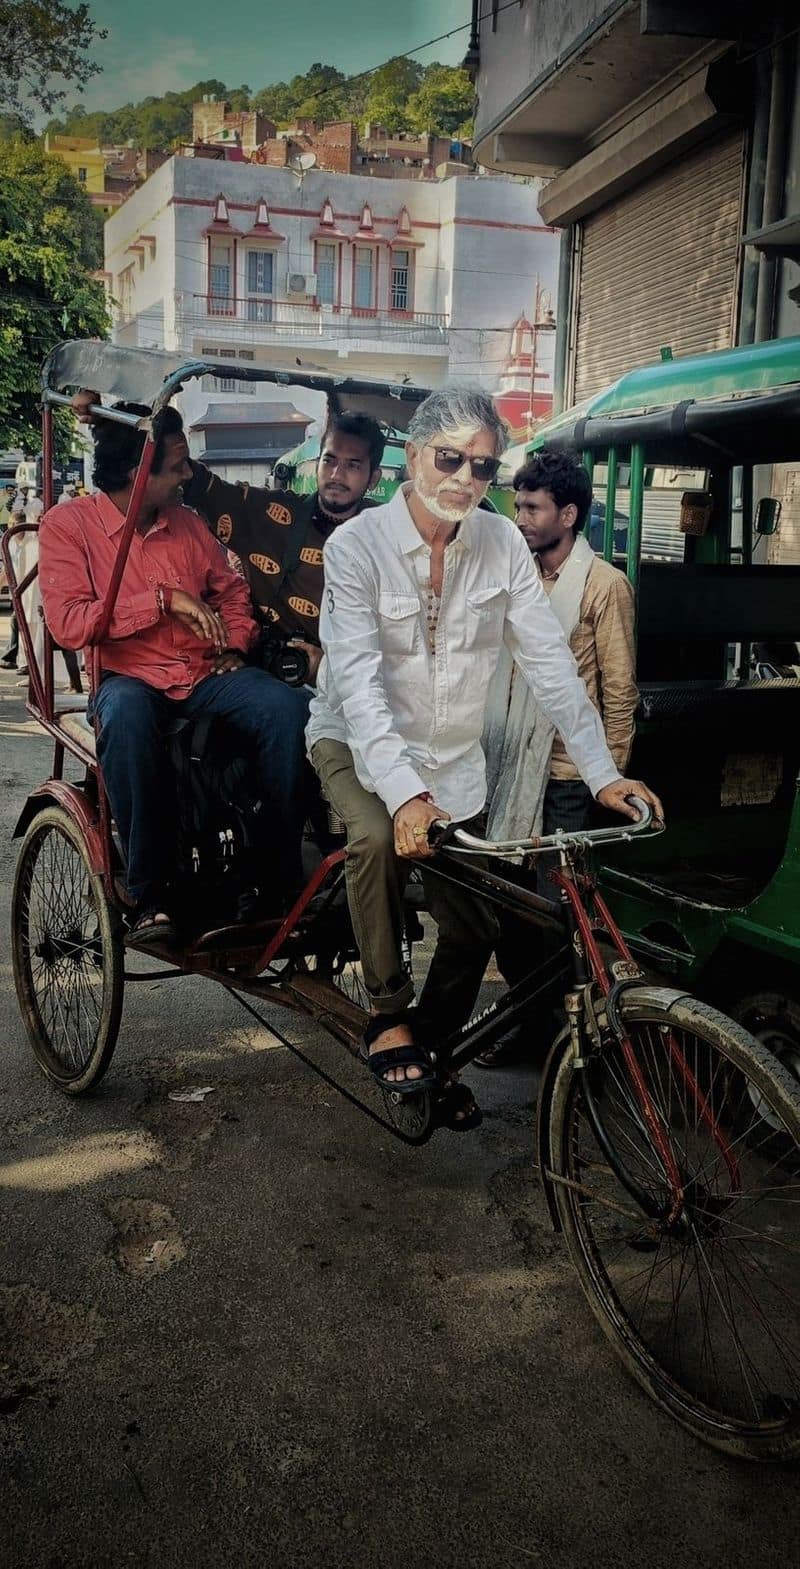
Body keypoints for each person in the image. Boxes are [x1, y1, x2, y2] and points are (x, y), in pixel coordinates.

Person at [307, 385, 662, 1111]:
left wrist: (601, 773)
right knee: (374, 837)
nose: (467, 480)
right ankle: (388, 1012)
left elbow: (552, 666)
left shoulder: (500, 541)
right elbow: (360, 683)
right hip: (355, 741)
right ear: (413, 457)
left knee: (475, 922)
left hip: (455, 765)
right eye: (451, 460)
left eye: (484, 468)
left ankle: (431, 1049)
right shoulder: (357, 546)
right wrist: (403, 794)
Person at [38, 403, 311, 940]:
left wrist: (235, 643)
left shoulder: (187, 523)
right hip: (131, 680)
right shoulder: (67, 526)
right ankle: (151, 893)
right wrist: (160, 600)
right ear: (140, 474)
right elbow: (69, 624)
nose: (190, 475)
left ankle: (276, 878)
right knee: (126, 719)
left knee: (290, 707)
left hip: (205, 677)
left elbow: (231, 592)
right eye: (178, 465)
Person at [477, 447, 639, 1067]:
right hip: (511, 769)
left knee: (560, 919)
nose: (520, 517)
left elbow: (619, 693)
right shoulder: (514, 573)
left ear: (568, 514)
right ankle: (532, 1026)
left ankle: (585, 1049)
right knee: (513, 915)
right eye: (517, 504)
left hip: (571, 778)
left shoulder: (604, 586)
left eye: (533, 507)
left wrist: (611, 779)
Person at [72, 391, 385, 684]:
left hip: (364, 681)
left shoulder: (392, 536)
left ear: (374, 478)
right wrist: (111, 424)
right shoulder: (273, 514)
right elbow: (190, 479)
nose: (336, 474)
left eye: (353, 465)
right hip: (278, 674)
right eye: (329, 460)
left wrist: (329, 667)